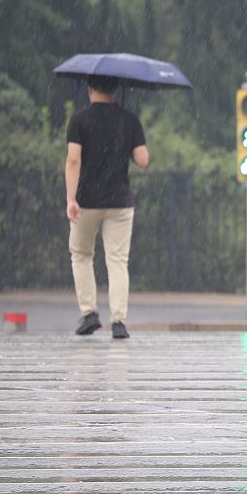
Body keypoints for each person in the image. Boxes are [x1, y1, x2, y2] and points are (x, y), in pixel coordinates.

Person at [63, 75, 149, 339]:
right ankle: (118, 322)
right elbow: (143, 160)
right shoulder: (129, 120)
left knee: (81, 254)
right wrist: (126, 139)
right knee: (117, 261)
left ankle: (89, 314)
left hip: (86, 201)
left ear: (89, 89)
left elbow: (73, 161)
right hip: (120, 202)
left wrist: (71, 199)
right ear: (115, 90)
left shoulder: (79, 120)